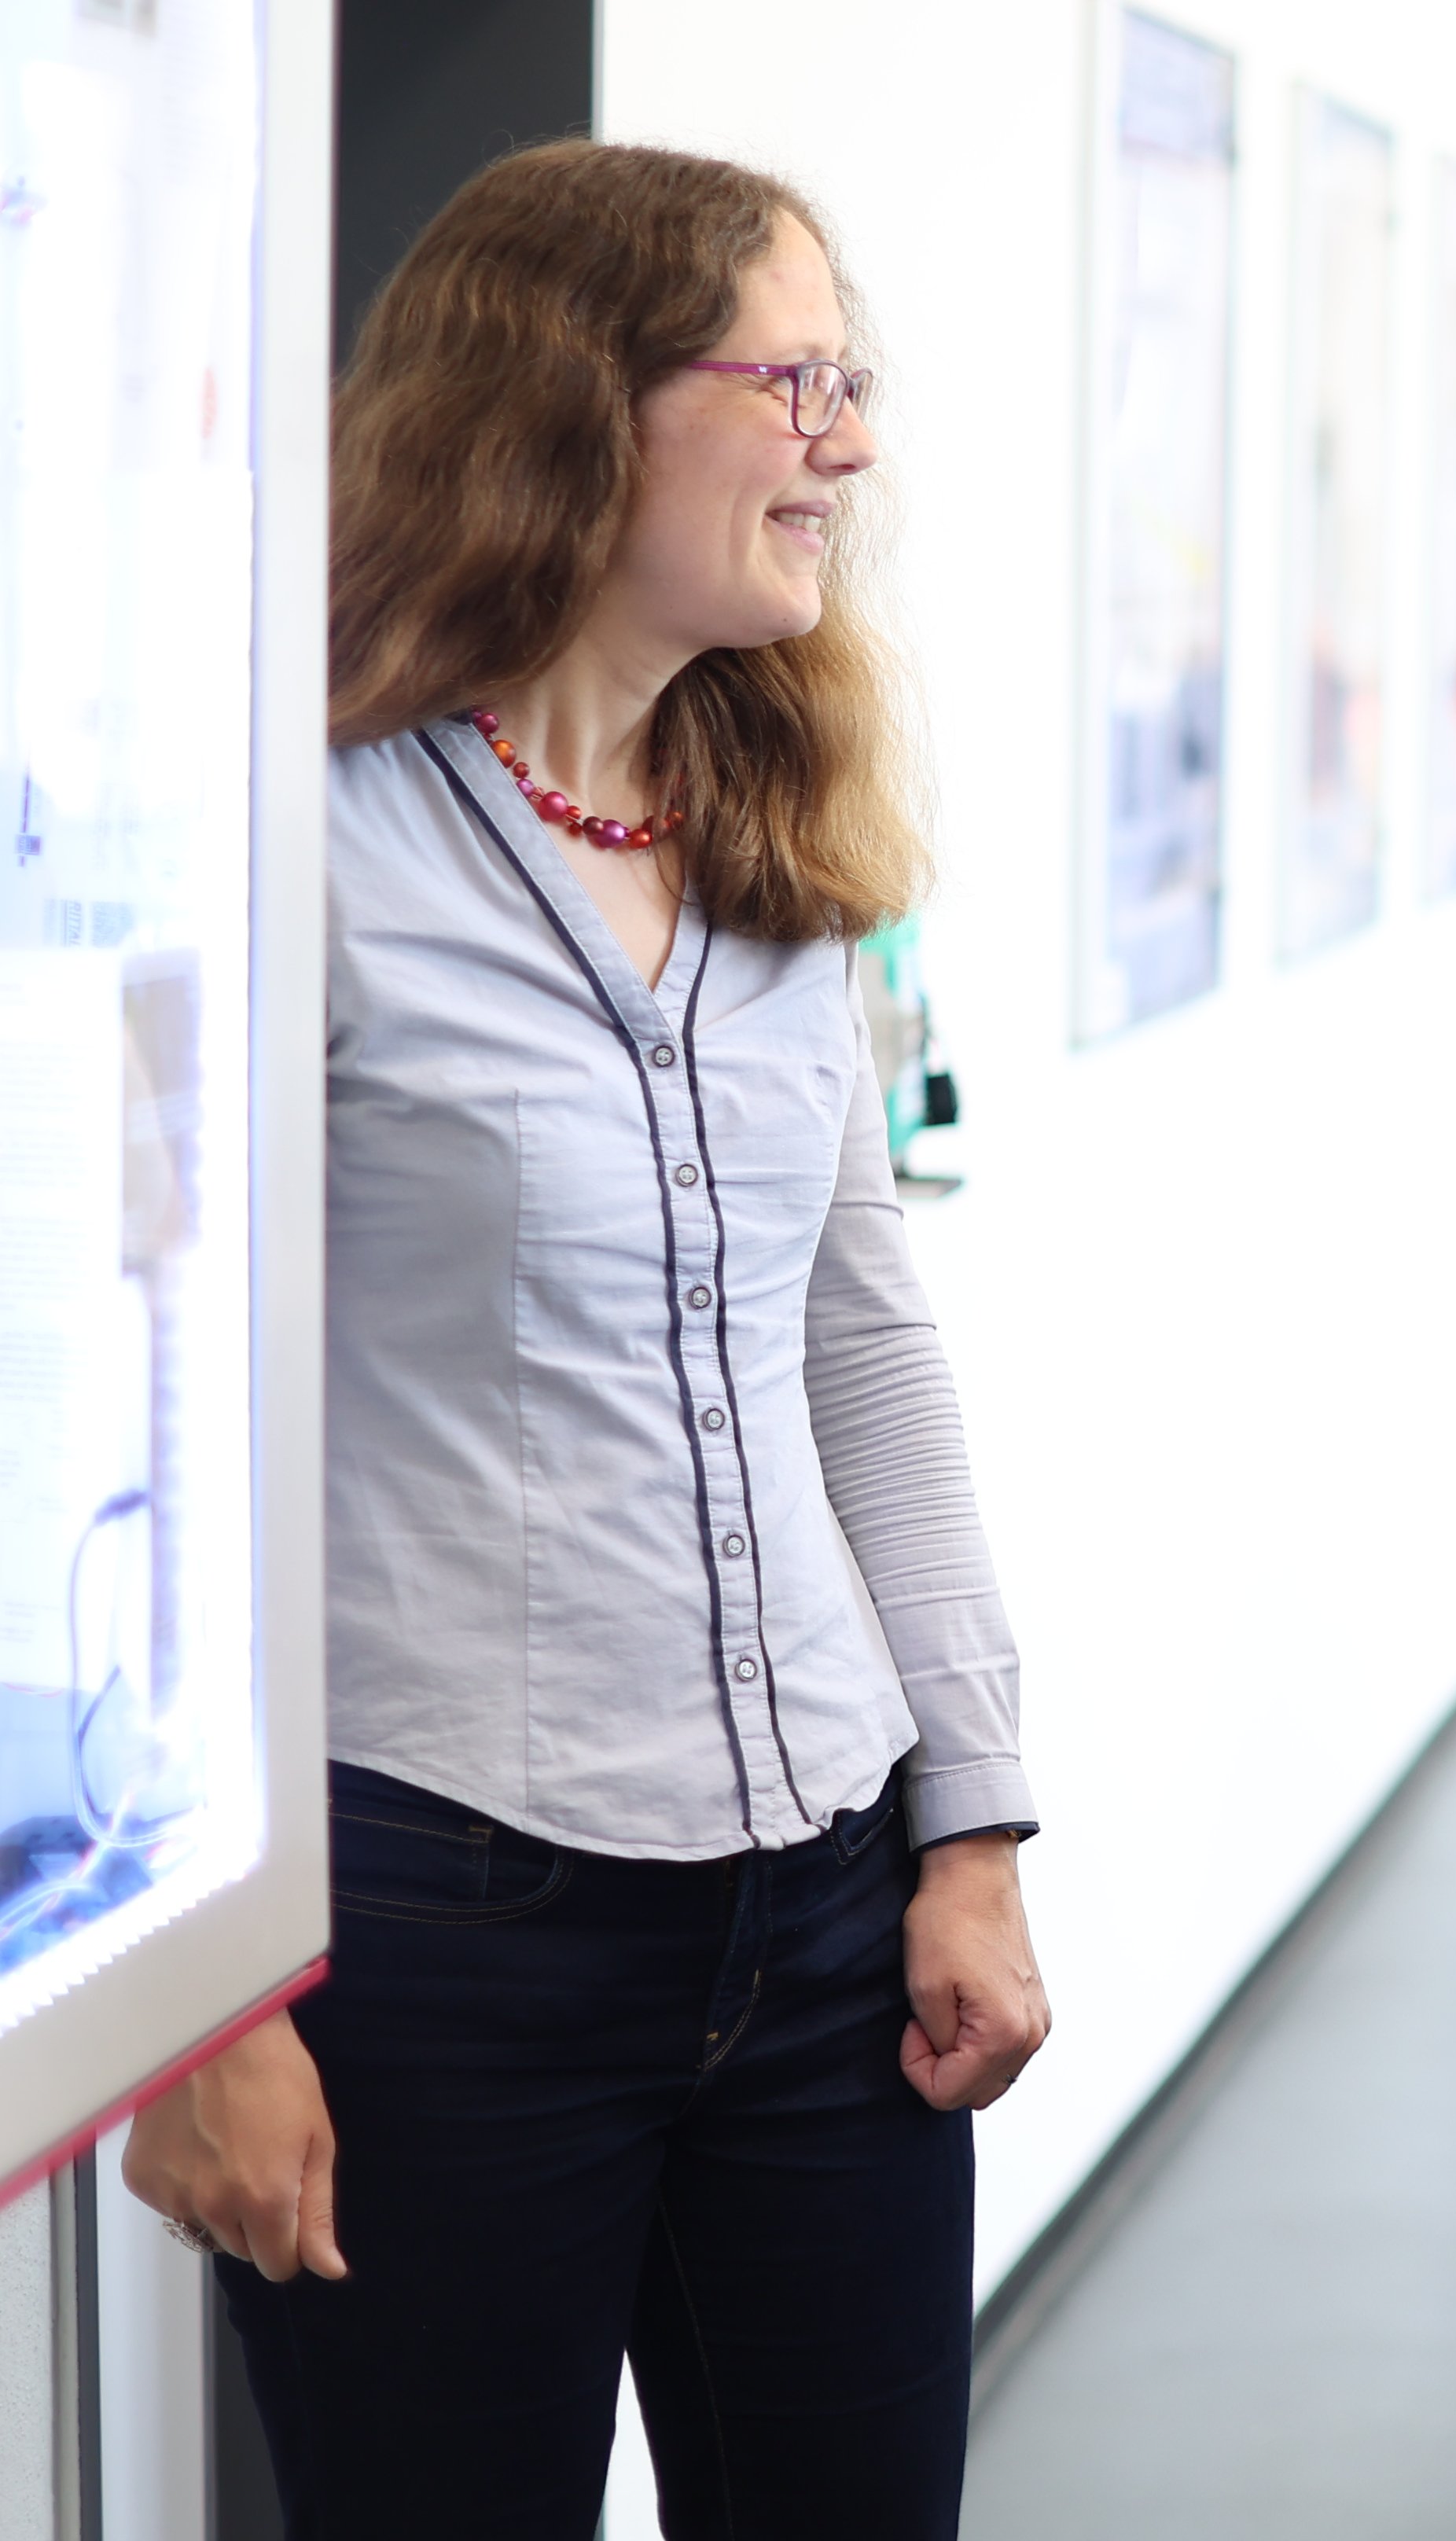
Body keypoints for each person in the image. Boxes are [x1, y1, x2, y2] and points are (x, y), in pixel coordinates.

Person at [122, 142, 1050, 2537]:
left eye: (857, 386)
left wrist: (973, 1832)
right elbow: (132, 1436)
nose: (847, 443)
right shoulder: (287, 843)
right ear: (573, 406)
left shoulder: (777, 836)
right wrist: (199, 2000)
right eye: (796, 381)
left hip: (832, 1920)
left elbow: (865, 1349)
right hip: (440, 1949)